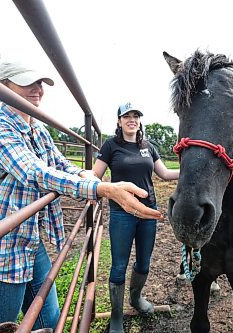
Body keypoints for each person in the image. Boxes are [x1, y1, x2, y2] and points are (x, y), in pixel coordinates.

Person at [0, 59, 162, 332]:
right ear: (3, 86)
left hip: (28, 240)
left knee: (49, 322)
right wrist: (102, 188)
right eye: (28, 82)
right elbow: (34, 171)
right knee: (3, 327)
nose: (38, 89)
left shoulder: (37, 129)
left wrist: (87, 176)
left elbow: (61, 165)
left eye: (40, 83)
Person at [92, 102, 179, 333]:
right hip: (122, 213)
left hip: (148, 212)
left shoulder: (148, 147)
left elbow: (165, 174)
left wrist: (191, 169)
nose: (132, 119)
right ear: (119, 121)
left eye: (136, 116)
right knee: (119, 265)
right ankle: (117, 317)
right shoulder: (111, 146)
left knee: (144, 262)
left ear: (140, 121)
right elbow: (94, 176)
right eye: (127, 116)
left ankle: (136, 298)